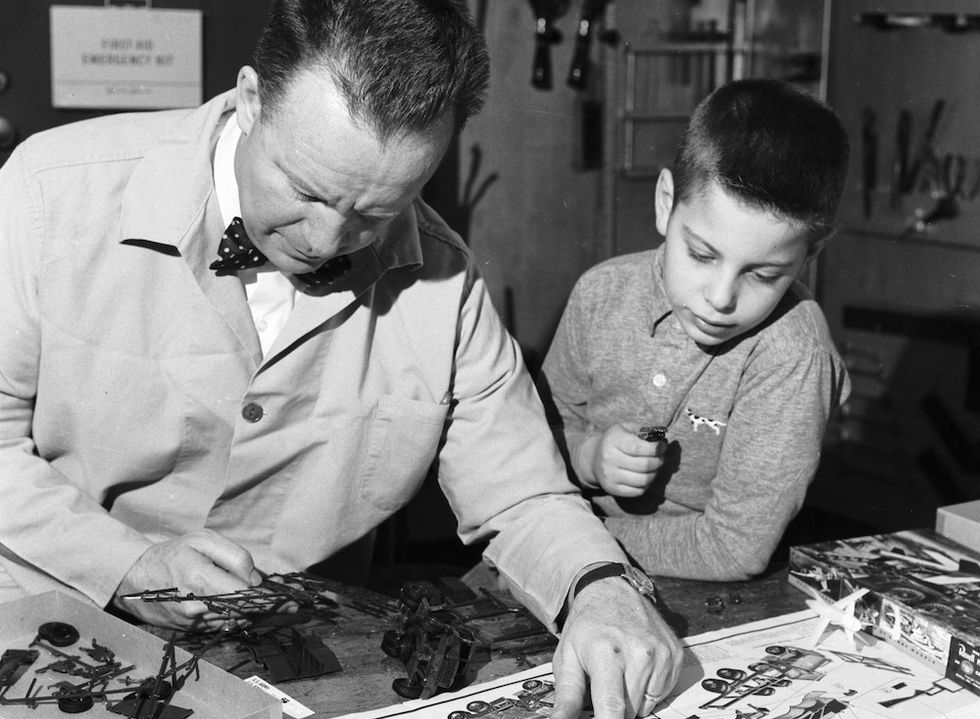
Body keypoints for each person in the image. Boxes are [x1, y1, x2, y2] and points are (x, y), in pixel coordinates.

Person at [0, 0, 681, 715]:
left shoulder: (444, 279)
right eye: (306, 191)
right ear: (251, 99)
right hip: (51, 617)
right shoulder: (46, 195)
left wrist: (598, 584)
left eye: (376, 212)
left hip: (291, 659)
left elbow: (520, 490)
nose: (326, 242)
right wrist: (128, 563)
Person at [540, 78, 851, 582]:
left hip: (691, 588)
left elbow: (733, 551)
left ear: (809, 254)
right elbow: (534, 439)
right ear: (666, 202)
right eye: (703, 255)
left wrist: (576, 542)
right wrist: (587, 455)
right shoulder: (599, 293)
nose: (722, 298)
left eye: (763, 275)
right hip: (558, 553)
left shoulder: (794, 354)